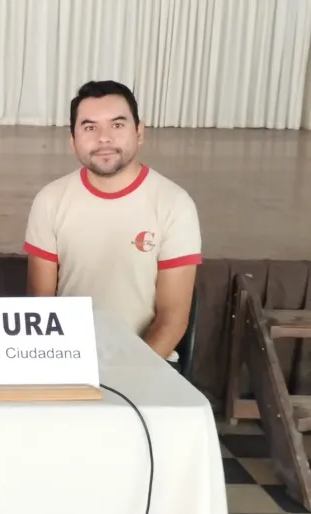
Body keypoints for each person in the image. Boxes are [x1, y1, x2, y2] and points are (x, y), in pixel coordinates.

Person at [22, 80, 201, 366]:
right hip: (70, 362)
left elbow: (173, 319)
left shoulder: (174, 204)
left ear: (139, 132)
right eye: (89, 127)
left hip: (148, 364)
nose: (104, 138)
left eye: (117, 125)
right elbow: (41, 307)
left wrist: (129, 374)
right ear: (72, 140)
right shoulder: (50, 200)